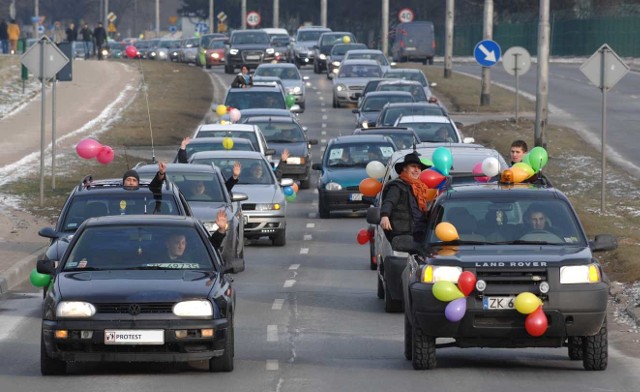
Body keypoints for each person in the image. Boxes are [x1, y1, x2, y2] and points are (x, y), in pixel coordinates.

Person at [379, 152, 432, 243]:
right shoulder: (397, 186)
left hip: (422, 233)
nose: (416, 170)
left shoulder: (422, 187)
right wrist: (384, 216)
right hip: (404, 235)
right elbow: (389, 202)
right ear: (405, 168)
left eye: (419, 168)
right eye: (413, 166)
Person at [176, 137, 241, 192]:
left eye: (200, 184)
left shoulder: (213, 188)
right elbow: (183, 165)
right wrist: (183, 147)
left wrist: (234, 177)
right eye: (197, 184)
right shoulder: (187, 186)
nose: (198, 186)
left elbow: (225, 190)